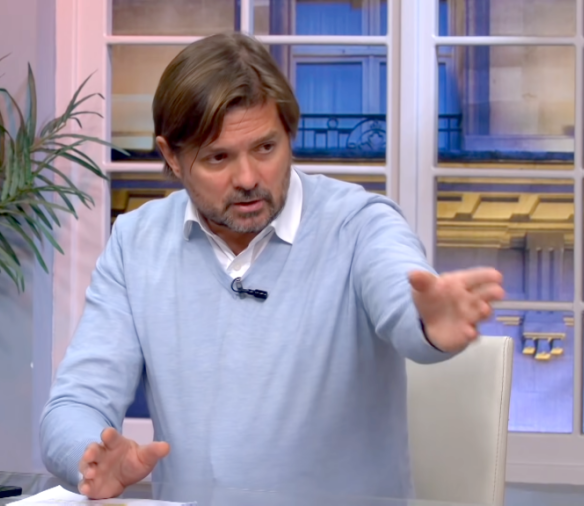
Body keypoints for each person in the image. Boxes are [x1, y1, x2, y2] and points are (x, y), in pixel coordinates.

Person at [40, 32, 505, 501]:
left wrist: (425, 323)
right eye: (218, 157)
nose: (248, 179)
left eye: (265, 148)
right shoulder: (136, 242)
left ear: (288, 135)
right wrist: (90, 455)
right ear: (171, 157)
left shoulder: (360, 223)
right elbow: (75, 403)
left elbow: (400, 297)